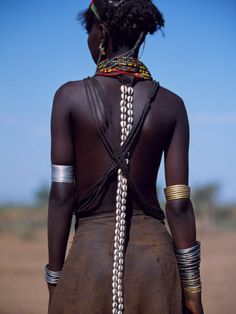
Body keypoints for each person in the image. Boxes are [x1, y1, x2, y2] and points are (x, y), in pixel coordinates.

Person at [45, 1, 204, 313]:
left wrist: (55, 279)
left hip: (89, 264)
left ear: (101, 32)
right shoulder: (171, 105)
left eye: (88, 30)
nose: (88, 40)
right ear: (142, 35)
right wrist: (193, 291)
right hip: (155, 269)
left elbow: (62, 197)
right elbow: (179, 203)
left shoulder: (68, 98)